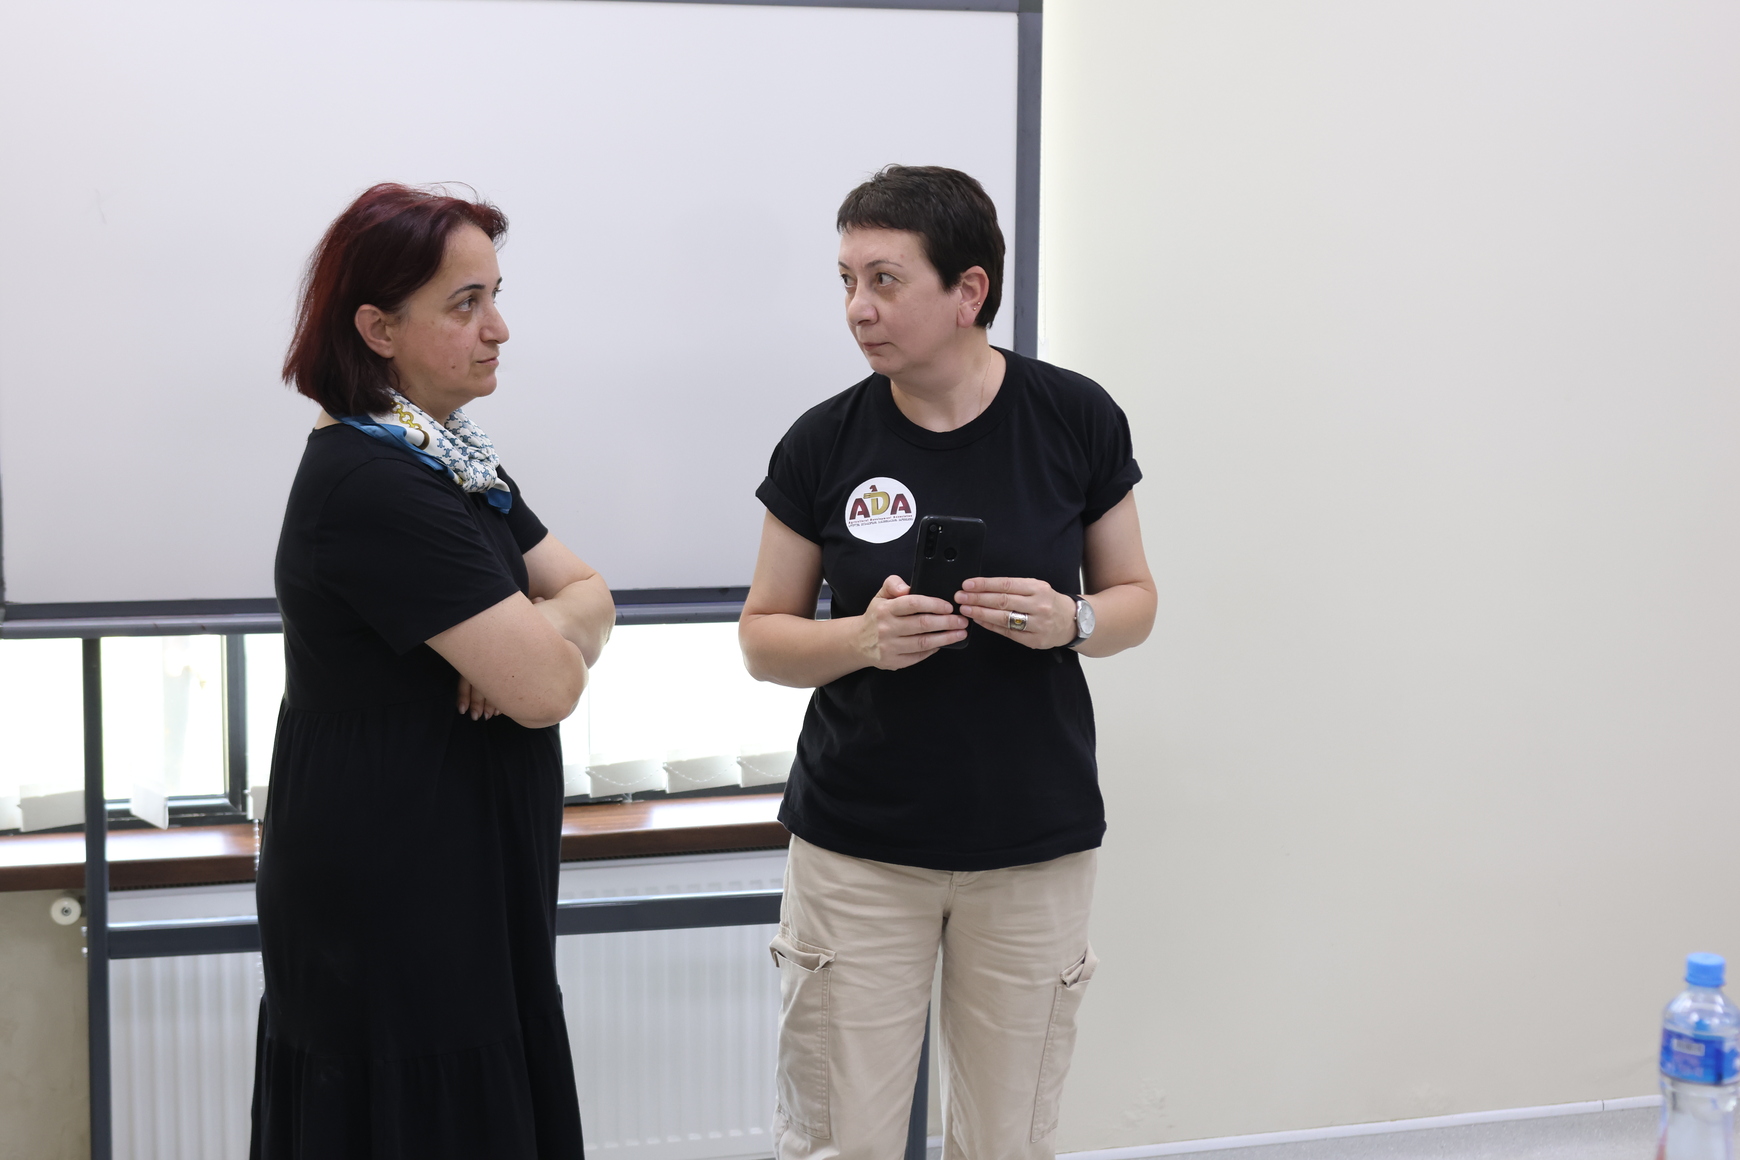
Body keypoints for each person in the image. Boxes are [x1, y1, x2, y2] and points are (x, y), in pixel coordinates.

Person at [739, 165, 1157, 1160]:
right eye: (847, 280)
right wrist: (861, 640)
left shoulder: (1075, 417)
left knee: (1007, 1140)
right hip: (858, 849)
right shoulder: (822, 441)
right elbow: (764, 636)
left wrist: (1071, 619)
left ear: (969, 290)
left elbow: (1135, 601)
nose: (858, 307)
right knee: (839, 1140)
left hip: (1031, 844)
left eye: (884, 280)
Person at [252, 183, 613, 1159]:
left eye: (495, 296)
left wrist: (536, 631)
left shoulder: (449, 459)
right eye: (465, 304)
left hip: (459, 876)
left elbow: (590, 594)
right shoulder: (375, 483)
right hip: (400, 896)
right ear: (377, 328)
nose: (499, 328)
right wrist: (537, 650)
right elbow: (548, 688)